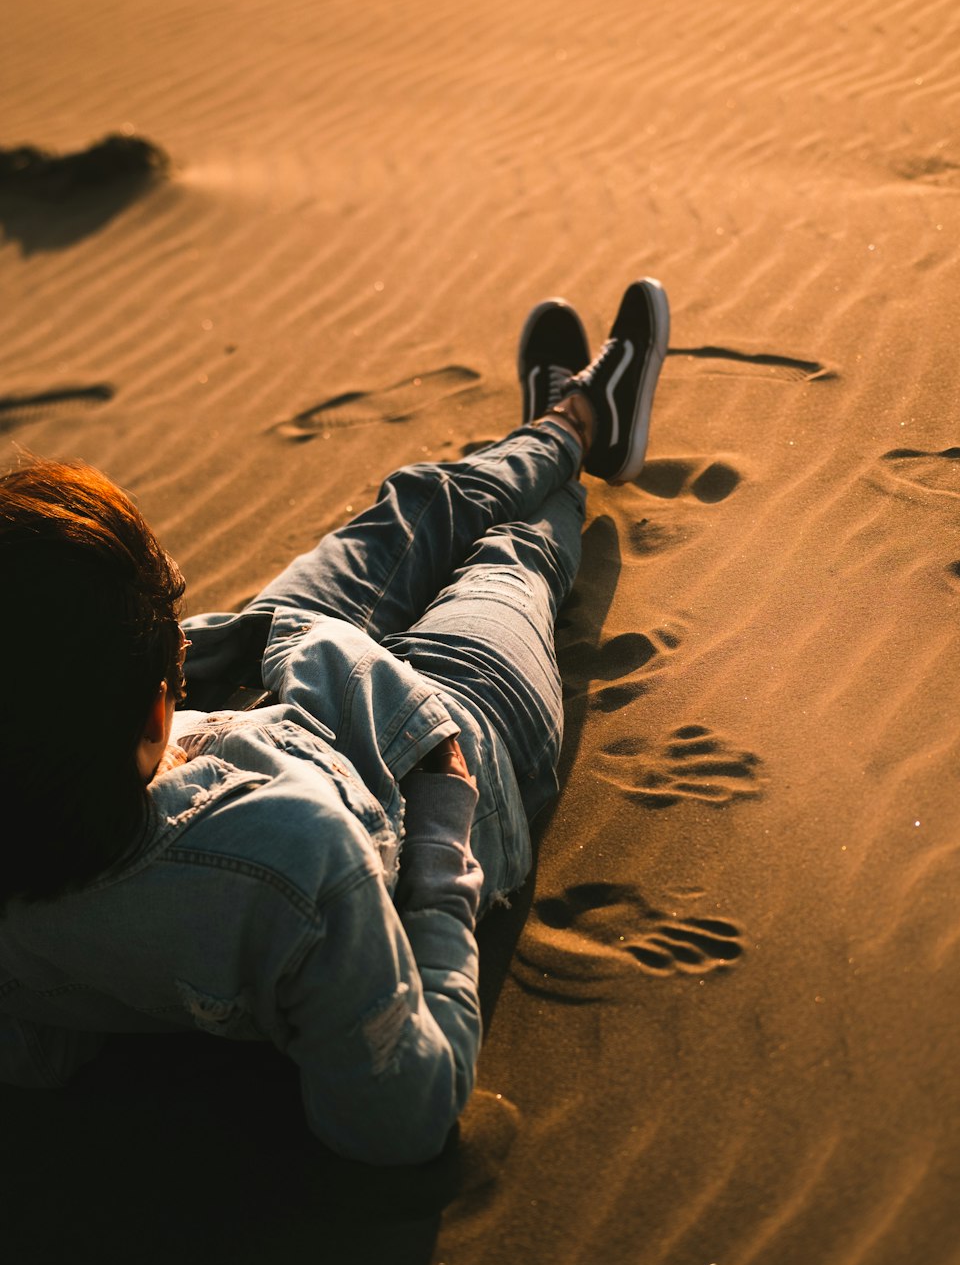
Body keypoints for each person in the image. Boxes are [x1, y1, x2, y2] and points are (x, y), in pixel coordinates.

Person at [0, 278, 670, 1165]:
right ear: (151, 718)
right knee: (508, 562)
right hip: (443, 748)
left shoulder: (66, 767)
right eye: (160, 636)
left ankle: (563, 424)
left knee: (417, 505)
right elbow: (405, 1113)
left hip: (260, 666)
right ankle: (581, 432)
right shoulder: (292, 865)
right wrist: (440, 852)